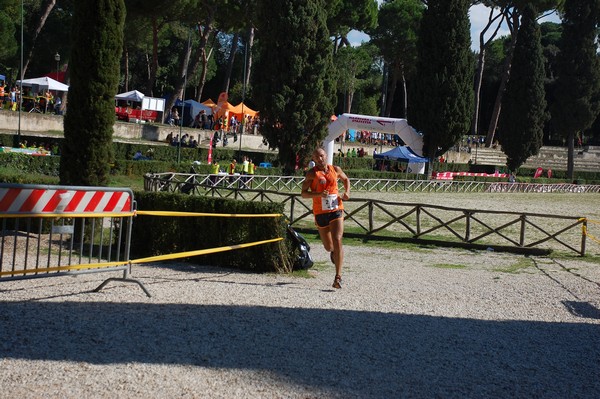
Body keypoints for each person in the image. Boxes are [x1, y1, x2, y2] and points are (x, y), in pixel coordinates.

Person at [301, 147, 350, 289]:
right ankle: (334, 252)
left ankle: (338, 277)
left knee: (338, 239)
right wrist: (318, 195)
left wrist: (347, 192)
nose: (320, 158)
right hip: (320, 212)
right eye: (317, 157)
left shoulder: (335, 169)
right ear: (314, 159)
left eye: (322, 155)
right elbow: (303, 193)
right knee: (329, 247)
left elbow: (346, 179)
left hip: (336, 209)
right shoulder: (311, 174)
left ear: (326, 155)